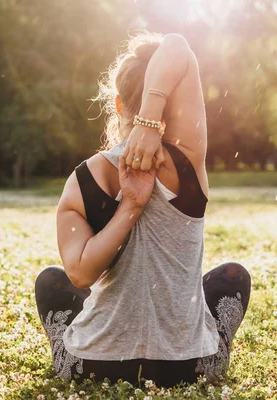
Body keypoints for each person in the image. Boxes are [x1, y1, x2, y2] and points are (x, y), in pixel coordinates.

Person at [34, 32, 251, 388]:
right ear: (173, 104)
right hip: (189, 368)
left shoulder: (82, 180)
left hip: (94, 368)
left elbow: (80, 275)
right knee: (232, 277)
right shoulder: (185, 162)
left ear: (118, 105)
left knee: (52, 281)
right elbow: (178, 47)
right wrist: (151, 124)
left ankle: (66, 354)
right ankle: (213, 352)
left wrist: (128, 208)